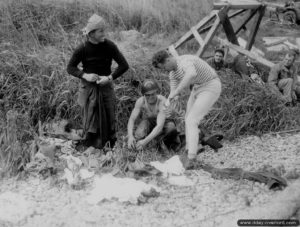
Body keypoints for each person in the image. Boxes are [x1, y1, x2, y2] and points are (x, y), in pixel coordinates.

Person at [67, 14, 129, 149]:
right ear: (91, 33)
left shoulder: (110, 46)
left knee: (109, 116)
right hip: (88, 89)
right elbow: (70, 68)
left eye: (104, 30)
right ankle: (90, 146)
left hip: (106, 87)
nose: (104, 34)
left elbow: (124, 65)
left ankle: (109, 146)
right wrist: (85, 75)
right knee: (90, 119)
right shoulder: (82, 48)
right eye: (101, 31)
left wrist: (109, 78)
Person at [152, 50, 222, 169]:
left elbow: (191, 74)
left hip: (211, 85)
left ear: (168, 60)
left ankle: (191, 158)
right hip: (197, 88)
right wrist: (167, 105)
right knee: (187, 119)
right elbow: (173, 93)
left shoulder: (184, 61)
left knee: (192, 120)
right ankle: (189, 149)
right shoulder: (172, 74)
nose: (165, 70)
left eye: (164, 67)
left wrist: (178, 91)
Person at [127, 80, 180, 151]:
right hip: (149, 121)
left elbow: (159, 126)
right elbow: (132, 119)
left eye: (152, 94)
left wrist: (144, 142)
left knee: (171, 128)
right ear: (144, 95)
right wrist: (130, 136)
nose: (150, 97)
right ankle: (147, 141)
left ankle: (159, 141)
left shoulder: (162, 102)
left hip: (164, 122)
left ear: (156, 92)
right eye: (147, 95)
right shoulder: (141, 101)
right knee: (138, 135)